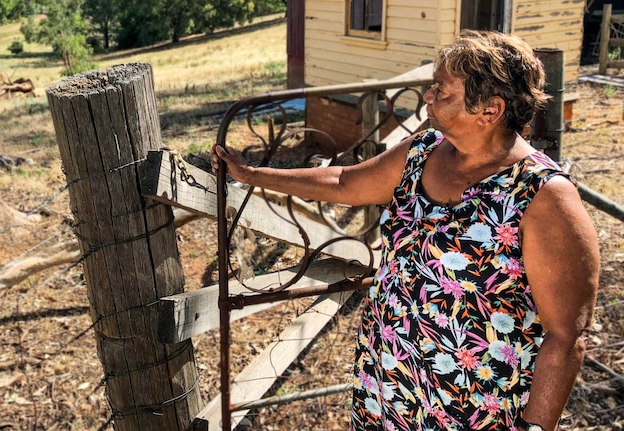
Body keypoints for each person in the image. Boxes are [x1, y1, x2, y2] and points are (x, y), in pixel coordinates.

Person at [211, 31, 599, 431]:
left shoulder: (543, 196)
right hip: (392, 384)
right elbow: (344, 183)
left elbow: (567, 336)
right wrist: (253, 174)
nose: (428, 96)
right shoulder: (425, 150)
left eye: (442, 90)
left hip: (477, 406)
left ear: (489, 109)